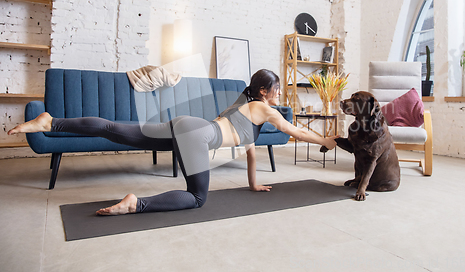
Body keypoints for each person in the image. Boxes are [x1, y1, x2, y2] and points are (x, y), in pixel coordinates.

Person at [9, 69, 337, 216]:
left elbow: (251, 153)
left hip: (187, 127)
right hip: (195, 134)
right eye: (276, 89)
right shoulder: (264, 108)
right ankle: (137, 204)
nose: (278, 95)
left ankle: (50, 122)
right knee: (197, 198)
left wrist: (253, 185)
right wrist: (325, 139)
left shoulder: (244, 107)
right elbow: (296, 131)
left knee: (113, 129)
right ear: (266, 92)